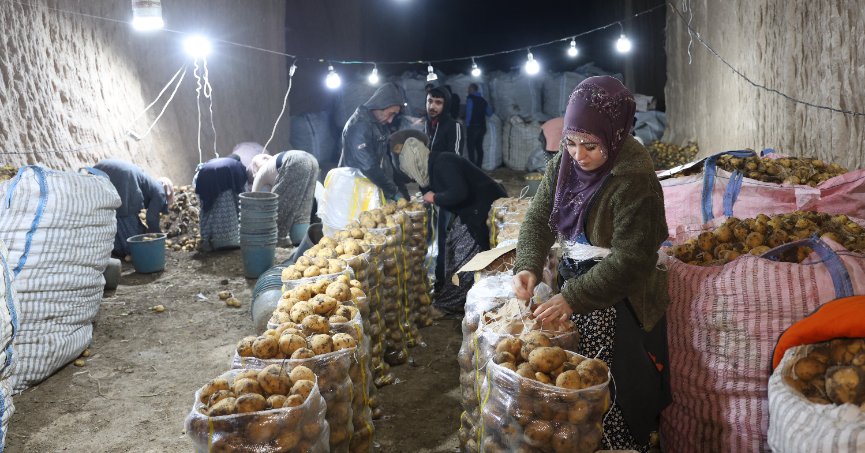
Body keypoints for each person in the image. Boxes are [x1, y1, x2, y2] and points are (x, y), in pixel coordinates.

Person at [511, 76, 670, 452]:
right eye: (570, 142)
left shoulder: (634, 180)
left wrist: (573, 298)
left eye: (590, 146)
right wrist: (528, 266)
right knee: (568, 378)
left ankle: (620, 442)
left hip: (622, 294)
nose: (578, 154)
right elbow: (538, 219)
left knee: (610, 385)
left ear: (614, 137)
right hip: (576, 280)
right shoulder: (564, 165)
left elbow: (633, 259)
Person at [396, 137, 506, 316]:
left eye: (412, 171)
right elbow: (428, 189)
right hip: (470, 210)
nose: (412, 176)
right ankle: (448, 293)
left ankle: (448, 305)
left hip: (481, 209)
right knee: (452, 249)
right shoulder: (430, 166)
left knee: (463, 259)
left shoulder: (443, 162)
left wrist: (435, 198)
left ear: (416, 162)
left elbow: (458, 192)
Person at [424, 85, 465, 290]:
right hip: (428, 191)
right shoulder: (426, 126)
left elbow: (455, 161)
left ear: (445, 105)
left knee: (443, 238)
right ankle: (432, 279)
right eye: (430, 101)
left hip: (447, 192)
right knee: (428, 236)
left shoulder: (453, 127)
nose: (433, 106)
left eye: (438, 102)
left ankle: (444, 285)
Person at [339, 82, 407, 202]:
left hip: (369, 186)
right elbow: (368, 166)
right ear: (379, 105)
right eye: (390, 114)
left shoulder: (377, 123)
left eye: (394, 116)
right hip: (355, 189)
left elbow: (385, 159)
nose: (391, 120)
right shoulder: (359, 125)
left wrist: (401, 189)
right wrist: (393, 191)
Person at [93, 159, 174, 258]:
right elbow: (151, 218)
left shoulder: (152, 184)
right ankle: (125, 249)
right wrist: (158, 238)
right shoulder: (160, 192)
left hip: (101, 171)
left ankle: (114, 249)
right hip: (124, 178)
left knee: (116, 216)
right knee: (129, 227)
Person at [250, 151, 320, 246]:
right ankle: (300, 242)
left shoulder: (261, 172)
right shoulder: (274, 165)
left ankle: (271, 241)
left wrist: (255, 223)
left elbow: (254, 198)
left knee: (277, 208)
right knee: (303, 209)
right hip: (312, 160)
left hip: (296, 162)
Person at [193, 155, 248, 251]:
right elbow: (244, 193)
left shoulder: (204, 167)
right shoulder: (237, 166)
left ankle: (208, 242)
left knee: (209, 210)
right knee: (234, 205)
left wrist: (206, 203)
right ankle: (234, 240)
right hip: (223, 179)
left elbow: (199, 195)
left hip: (206, 177)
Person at [465, 83, 493, 167]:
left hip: (473, 126)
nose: (468, 90)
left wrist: (467, 124)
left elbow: (469, 112)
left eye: (469, 89)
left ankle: (472, 167)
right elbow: (489, 113)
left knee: (470, 147)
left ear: (473, 89)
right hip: (482, 126)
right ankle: (479, 166)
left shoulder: (470, 99)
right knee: (479, 147)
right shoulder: (483, 100)